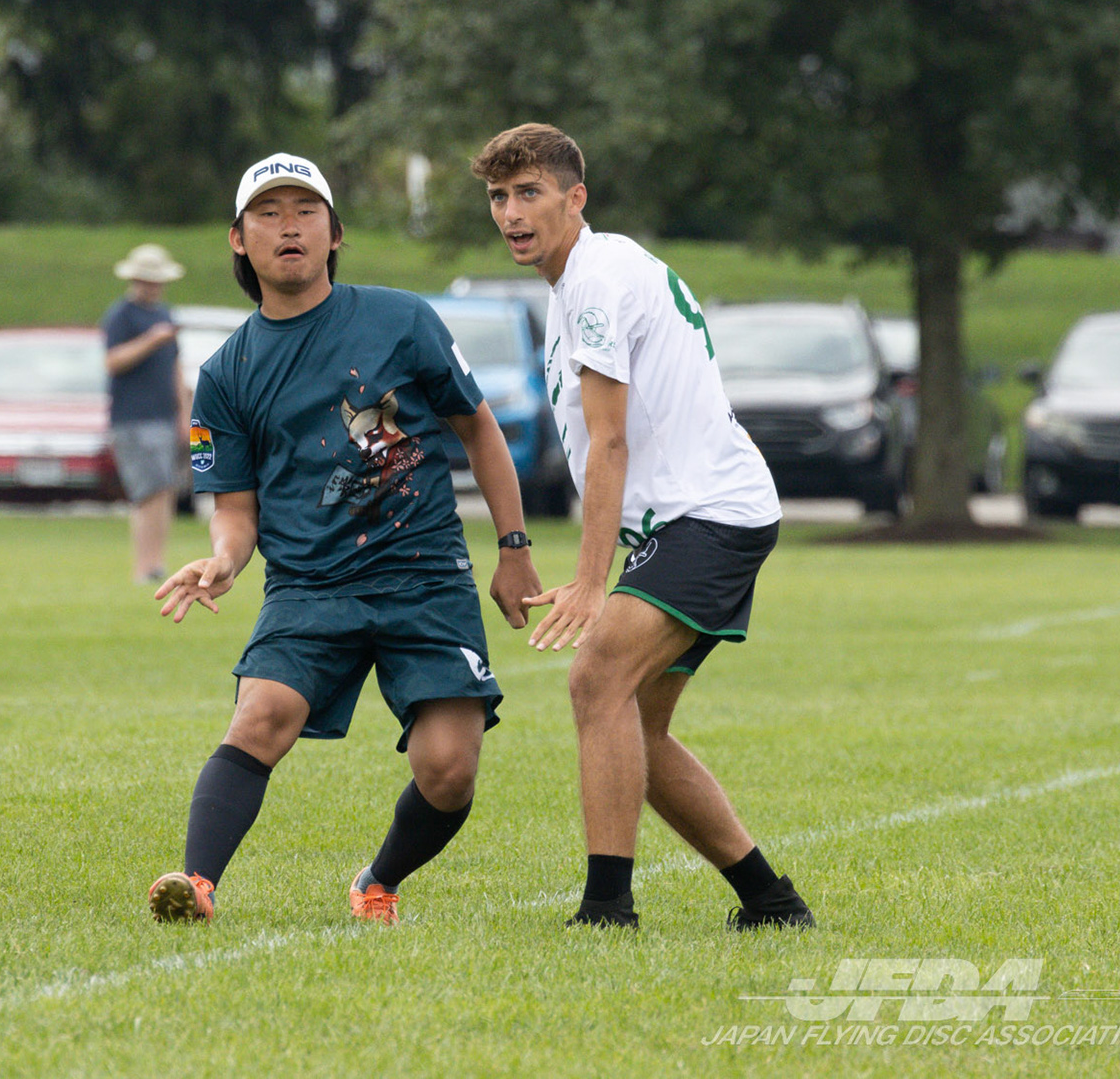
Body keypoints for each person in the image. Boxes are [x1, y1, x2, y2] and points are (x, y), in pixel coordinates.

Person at [146, 153, 542, 926]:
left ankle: (377, 881)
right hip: (310, 585)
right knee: (261, 715)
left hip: (424, 575)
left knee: (448, 769)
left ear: (334, 234)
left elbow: (479, 430)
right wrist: (224, 559)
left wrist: (514, 547)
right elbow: (235, 508)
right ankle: (195, 885)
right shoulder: (224, 374)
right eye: (268, 213)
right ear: (238, 239)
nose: (288, 226)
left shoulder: (402, 319)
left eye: (306, 211)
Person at [471, 122, 814, 930]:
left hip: (710, 515)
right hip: (696, 518)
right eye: (498, 196)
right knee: (637, 727)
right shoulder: (582, 278)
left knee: (595, 680)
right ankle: (770, 902)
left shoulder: (594, 280)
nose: (512, 213)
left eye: (530, 193)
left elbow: (610, 442)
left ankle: (606, 911)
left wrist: (592, 584)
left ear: (575, 198)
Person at [103, 243, 193, 583]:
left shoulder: (165, 315)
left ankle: (157, 563)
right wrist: (150, 341)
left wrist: (184, 413)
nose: (153, 287)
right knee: (146, 492)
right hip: (133, 419)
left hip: (164, 417)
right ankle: (143, 567)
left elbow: (175, 367)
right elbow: (113, 361)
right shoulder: (121, 315)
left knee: (165, 489)